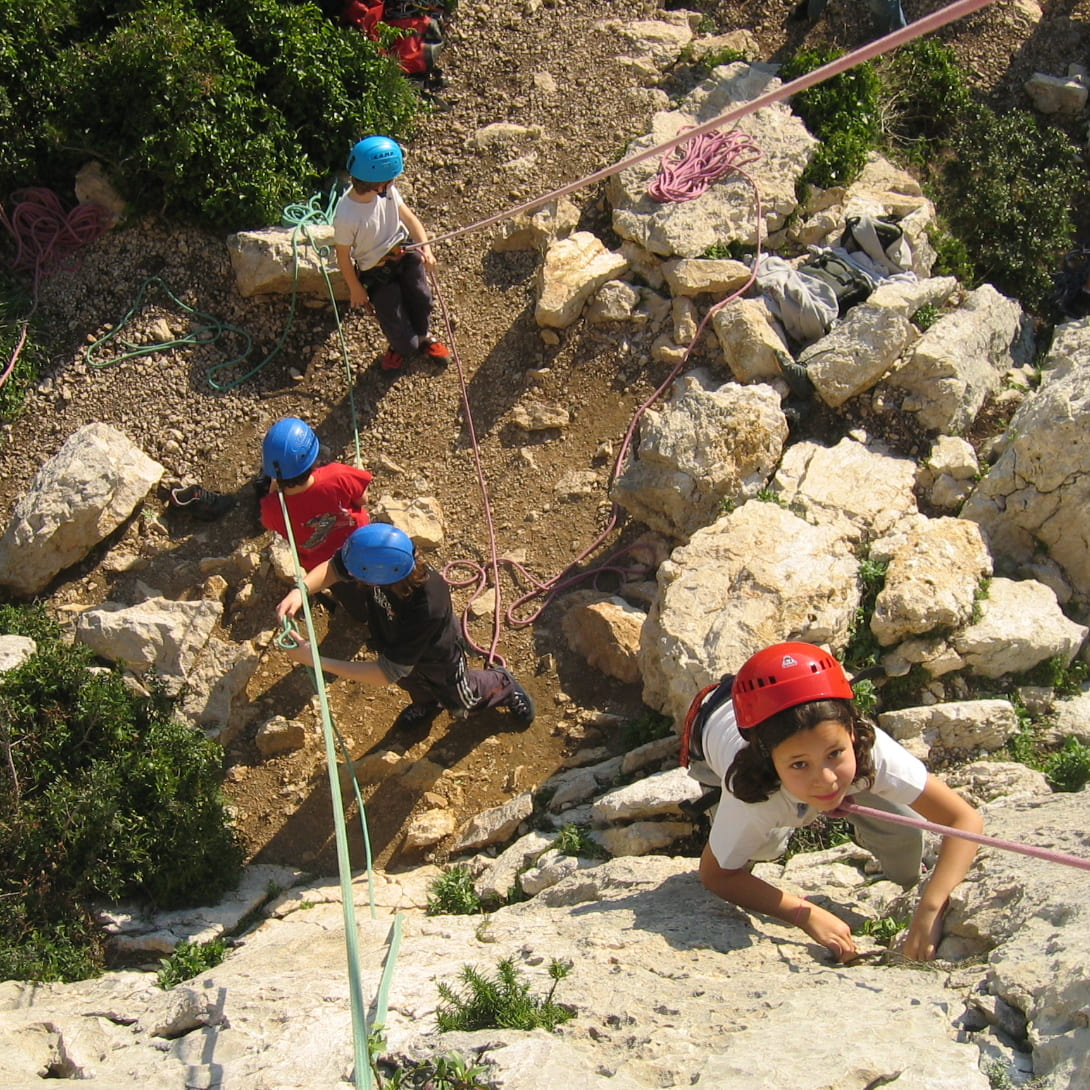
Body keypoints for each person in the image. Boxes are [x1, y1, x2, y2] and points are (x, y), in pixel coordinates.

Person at [688, 641, 982, 963]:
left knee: (906, 832)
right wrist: (805, 914)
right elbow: (717, 875)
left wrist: (930, 905)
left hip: (771, 718)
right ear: (768, 760)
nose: (826, 779)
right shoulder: (752, 792)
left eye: (834, 754)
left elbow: (962, 820)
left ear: (853, 733)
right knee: (765, 848)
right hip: (714, 719)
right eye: (800, 764)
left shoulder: (869, 750)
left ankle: (908, 883)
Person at [276, 523, 536, 736]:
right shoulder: (386, 557)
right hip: (395, 641)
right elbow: (334, 568)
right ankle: (427, 704)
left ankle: (503, 685)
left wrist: (315, 661)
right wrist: (301, 589)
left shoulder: (427, 603)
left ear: (377, 577)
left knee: (462, 697)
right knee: (411, 682)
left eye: (357, 575)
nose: (352, 578)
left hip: (436, 656)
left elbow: (385, 672)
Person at [333, 135, 450, 372]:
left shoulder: (387, 192)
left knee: (422, 297)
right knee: (397, 325)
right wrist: (355, 287)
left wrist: (425, 248)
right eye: (392, 178)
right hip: (376, 271)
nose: (395, 182)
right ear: (379, 182)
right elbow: (343, 256)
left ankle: (424, 335)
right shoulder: (346, 215)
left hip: (404, 253)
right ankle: (400, 347)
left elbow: (410, 219)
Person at [259, 416, 375, 619]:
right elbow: (362, 500)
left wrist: (275, 485)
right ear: (313, 459)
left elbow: (271, 522)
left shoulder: (273, 508)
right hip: (362, 544)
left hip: (322, 567)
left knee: (349, 594)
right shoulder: (337, 475)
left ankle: (363, 616)